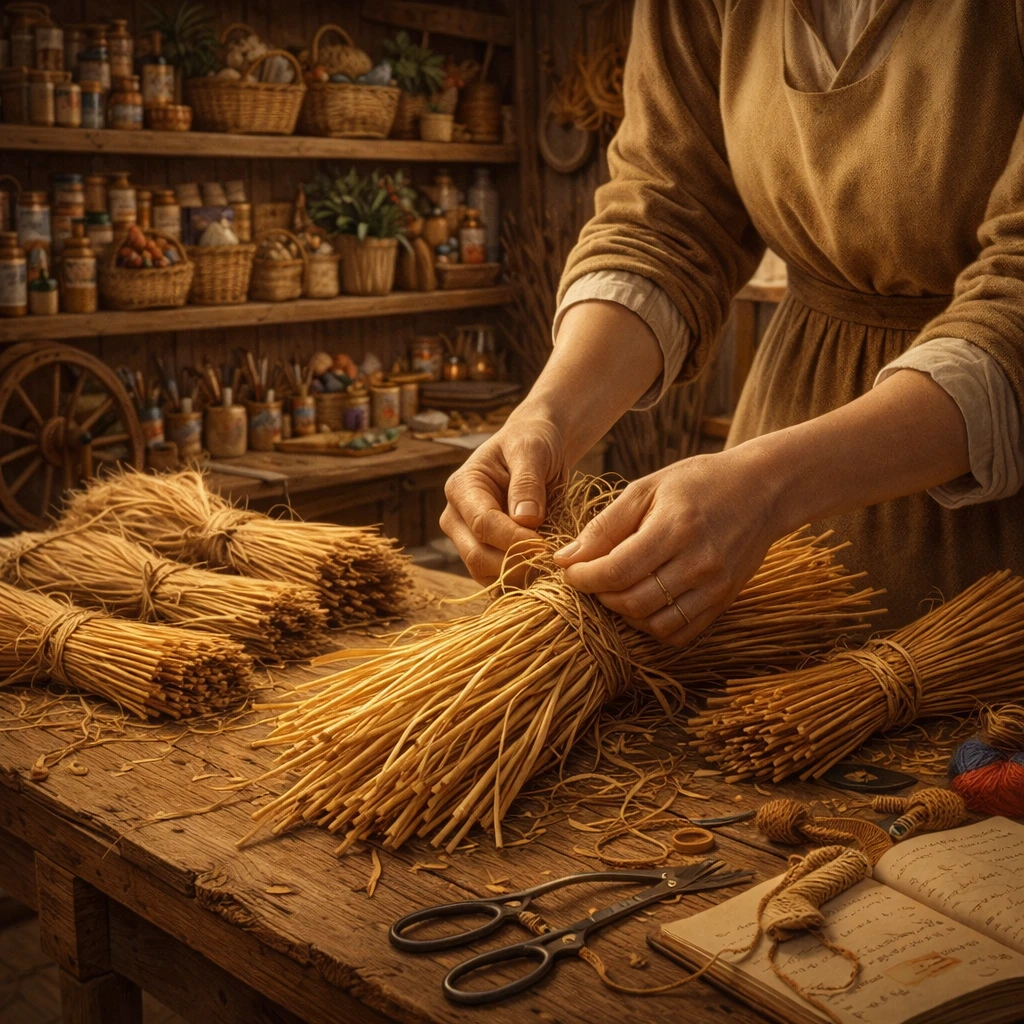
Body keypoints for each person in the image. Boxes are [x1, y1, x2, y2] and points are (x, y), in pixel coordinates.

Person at [442, 0, 1024, 637]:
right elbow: (666, 214)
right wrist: (549, 414)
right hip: (782, 449)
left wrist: (771, 488)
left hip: (994, 521)